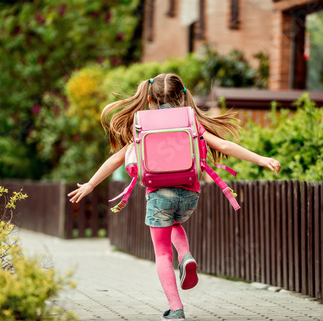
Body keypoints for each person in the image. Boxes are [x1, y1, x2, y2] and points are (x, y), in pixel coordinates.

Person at [68, 73, 281, 321]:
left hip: (158, 194)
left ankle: (176, 309)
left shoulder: (142, 124)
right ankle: (186, 255)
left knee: (161, 253)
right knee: (176, 222)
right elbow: (223, 146)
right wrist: (260, 159)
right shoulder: (191, 123)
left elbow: (116, 159)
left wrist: (91, 184)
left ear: (149, 99)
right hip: (190, 193)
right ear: (182, 97)